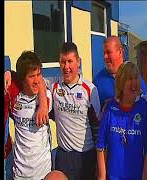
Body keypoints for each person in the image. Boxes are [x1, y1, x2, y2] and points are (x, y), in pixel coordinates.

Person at [50, 42, 100, 180]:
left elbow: (97, 126)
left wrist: (99, 161)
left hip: (86, 156)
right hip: (63, 156)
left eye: (70, 61)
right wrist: (8, 74)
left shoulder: (90, 89)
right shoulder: (54, 86)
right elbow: (33, 80)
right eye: (62, 62)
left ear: (78, 62)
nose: (66, 67)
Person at [96, 61, 147, 180]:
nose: (134, 83)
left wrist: (145, 177)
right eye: (129, 78)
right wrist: (102, 176)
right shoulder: (110, 108)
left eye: (136, 78)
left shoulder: (143, 107)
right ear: (121, 82)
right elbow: (101, 145)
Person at [4, 56, 49, 180]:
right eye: (31, 76)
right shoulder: (14, 97)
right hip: (19, 174)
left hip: (43, 173)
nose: (36, 81)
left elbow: (43, 84)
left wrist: (43, 104)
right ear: (22, 79)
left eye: (38, 74)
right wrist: (8, 72)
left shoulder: (47, 96)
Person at [93, 36, 147, 108]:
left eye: (108, 52)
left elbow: (144, 104)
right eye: (104, 53)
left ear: (120, 52)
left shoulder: (134, 76)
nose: (105, 57)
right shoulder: (97, 81)